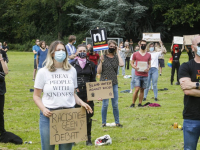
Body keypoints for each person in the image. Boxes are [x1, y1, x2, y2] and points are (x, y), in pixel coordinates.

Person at [33, 40, 93, 150]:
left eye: (63, 50)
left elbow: (73, 94)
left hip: (68, 116)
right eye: (58, 50)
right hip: (49, 115)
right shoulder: (43, 72)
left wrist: (82, 102)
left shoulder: (72, 70)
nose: (61, 52)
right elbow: (36, 96)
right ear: (52, 53)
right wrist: (43, 109)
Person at [71, 44, 95, 146]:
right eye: (80, 50)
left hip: (88, 93)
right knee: (75, 116)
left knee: (88, 116)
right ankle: (73, 139)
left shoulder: (91, 64)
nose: (82, 52)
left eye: (84, 51)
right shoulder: (72, 64)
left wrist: (95, 94)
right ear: (77, 52)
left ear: (87, 52)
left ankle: (88, 139)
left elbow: (93, 80)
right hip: (75, 93)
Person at [179, 35, 200, 150]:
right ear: (193, 47)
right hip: (192, 117)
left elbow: (190, 87)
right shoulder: (186, 66)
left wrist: (195, 84)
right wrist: (191, 87)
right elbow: (187, 91)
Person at [97, 40, 124, 127]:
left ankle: (117, 122)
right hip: (104, 82)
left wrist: (118, 53)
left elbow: (122, 64)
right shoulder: (103, 57)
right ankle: (103, 123)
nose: (111, 48)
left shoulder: (116, 57)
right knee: (105, 104)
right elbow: (98, 71)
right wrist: (101, 61)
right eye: (110, 46)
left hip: (114, 82)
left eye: (113, 46)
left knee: (115, 104)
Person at [130, 40, 151, 107]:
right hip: (137, 74)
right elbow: (131, 63)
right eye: (142, 44)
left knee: (142, 89)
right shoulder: (135, 54)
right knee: (137, 89)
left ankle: (140, 103)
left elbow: (150, 64)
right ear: (139, 45)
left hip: (145, 75)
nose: (143, 45)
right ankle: (133, 103)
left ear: (146, 45)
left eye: (144, 44)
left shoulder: (148, 54)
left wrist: (148, 68)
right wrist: (134, 67)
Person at [0, 50, 9, 138]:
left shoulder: (2, 58)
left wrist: (1, 60)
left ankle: (2, 131)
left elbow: (6, 72)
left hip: (0, 89)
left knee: (0, 112)